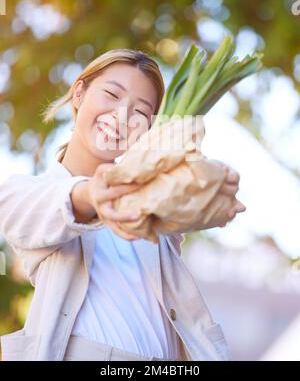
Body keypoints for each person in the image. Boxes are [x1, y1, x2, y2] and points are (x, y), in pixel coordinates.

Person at [0, 48, 244, 361]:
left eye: (141, 113)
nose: (122, 116)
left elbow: (200, 202)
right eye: (112, 94)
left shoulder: (150, 199)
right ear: (79, 93)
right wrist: (92, 195)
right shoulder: (29, 192)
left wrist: (215, 183)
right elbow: (31, 210)